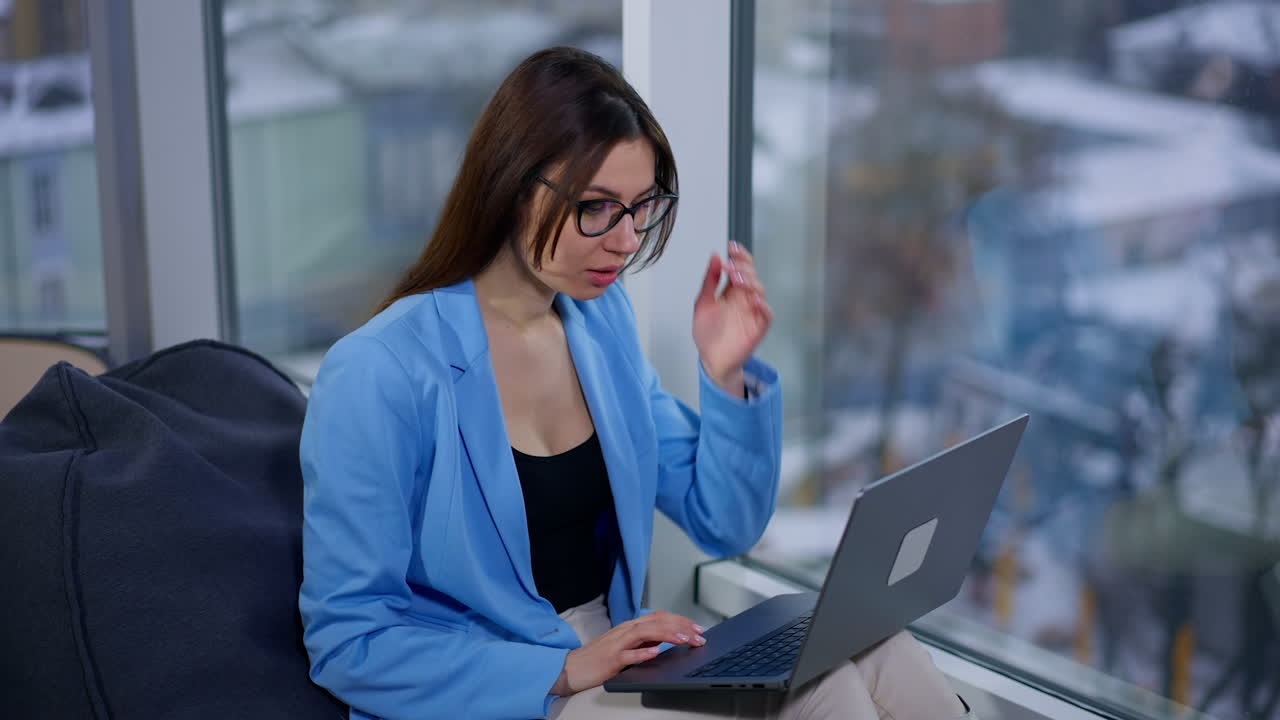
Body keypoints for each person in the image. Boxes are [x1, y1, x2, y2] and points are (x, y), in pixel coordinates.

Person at [298, 46, 974, 720]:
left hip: (618, 657)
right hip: (503, 686)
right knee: (829, 696)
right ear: (510, 186)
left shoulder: (600, 323)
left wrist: (725, 372)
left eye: (640, 207)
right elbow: (350, 642)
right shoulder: (380, 371)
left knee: (878, 646)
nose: (624, 241)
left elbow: (724, 520)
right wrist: (561, 668)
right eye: (596, 208)